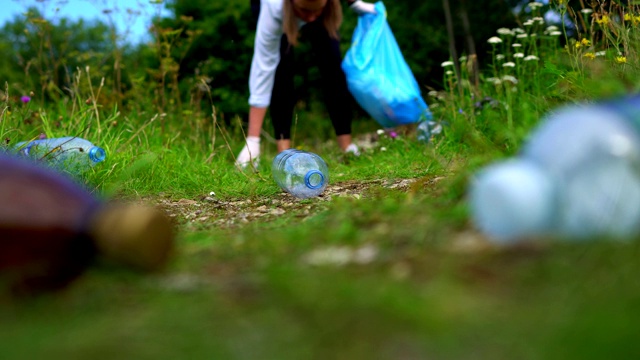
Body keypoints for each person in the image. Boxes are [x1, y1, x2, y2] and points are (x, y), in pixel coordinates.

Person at [236, 0, 376, 169]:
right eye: (304, 12)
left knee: (333, 64)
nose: (310, 19)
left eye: (315, 12)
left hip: (315, 7)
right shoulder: (274, 8)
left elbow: (313, 14)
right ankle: (284, 156)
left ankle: (347, 147)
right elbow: (263, 67)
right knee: (282, 71)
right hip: (281, 11)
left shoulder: (320, 10)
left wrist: (354, 3)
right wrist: (253, 139)